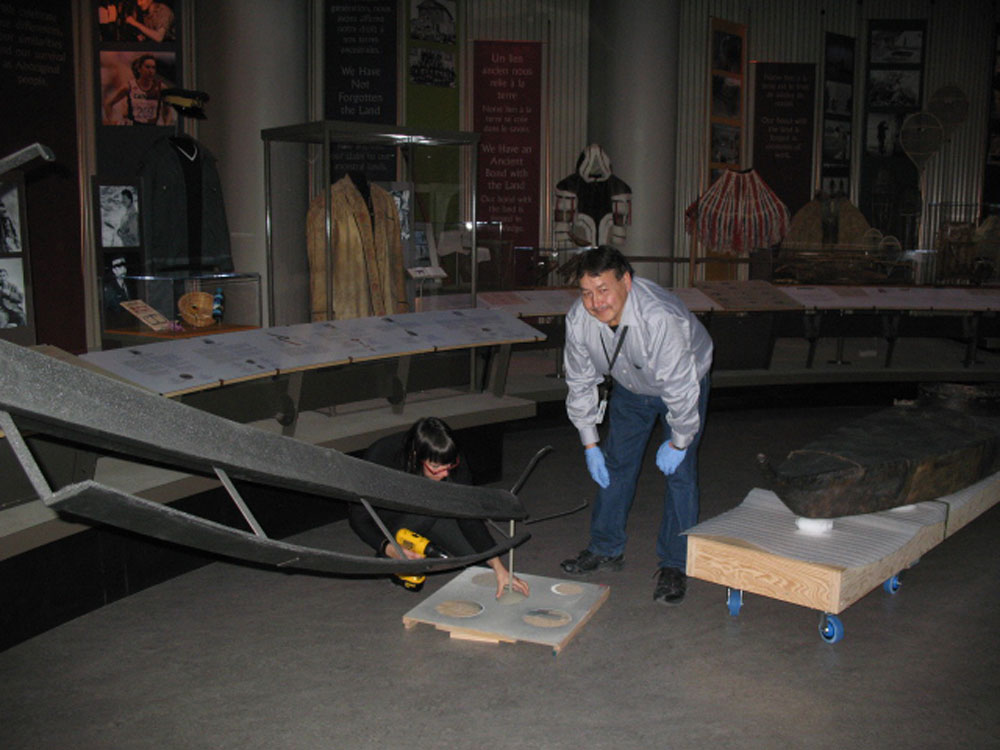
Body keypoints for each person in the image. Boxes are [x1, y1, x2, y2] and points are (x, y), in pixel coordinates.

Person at [560, 246, 713, 606]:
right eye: (586, 292)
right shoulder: (579, 320)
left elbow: (680, 388)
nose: (596, 302)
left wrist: (679, 441)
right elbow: (580, 381)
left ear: (626, 281)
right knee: (615, 465)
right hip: (630, 385)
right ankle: (605, 548)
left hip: (683, 382)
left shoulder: (660, 319)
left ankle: (675, 564)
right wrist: (589, 443)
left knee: (681, 475)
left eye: (603, 290)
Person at [349, 417, 529, 600]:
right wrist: (388, 548)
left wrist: (499, 567)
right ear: (415, 457)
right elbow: (359, 518)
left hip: (433, 512)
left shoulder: (451, 457)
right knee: (422, 520)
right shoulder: (382, 457)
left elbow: (469, 516)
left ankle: (418, 547)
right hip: (390, 520)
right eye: (436, 468)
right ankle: (387, 559)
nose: (445, 474)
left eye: (449, 466)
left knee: (481, 567)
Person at [104, 54, 165, 125]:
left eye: (153, 68)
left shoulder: (160, 88)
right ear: (139, 69)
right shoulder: (128, 87)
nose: (150, 71)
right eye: (147, 67)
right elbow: (109, 104)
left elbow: (167, 111)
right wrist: (111, 123)